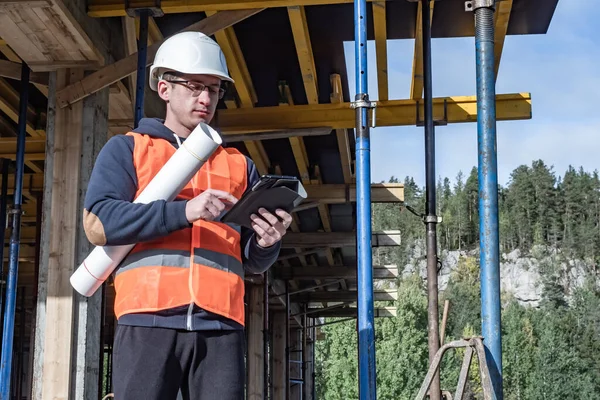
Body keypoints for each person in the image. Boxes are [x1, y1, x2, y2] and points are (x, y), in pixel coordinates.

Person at [82, 31, 292, 399]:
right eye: (195, 86)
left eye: (214, 89)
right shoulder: (129, 149)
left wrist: (267, 241)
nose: (206, 98)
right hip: (149, 318)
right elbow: (99, 222)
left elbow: (252, 260)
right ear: (164, 88)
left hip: (221, 326)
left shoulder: (240, 165)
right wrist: (183, 212)